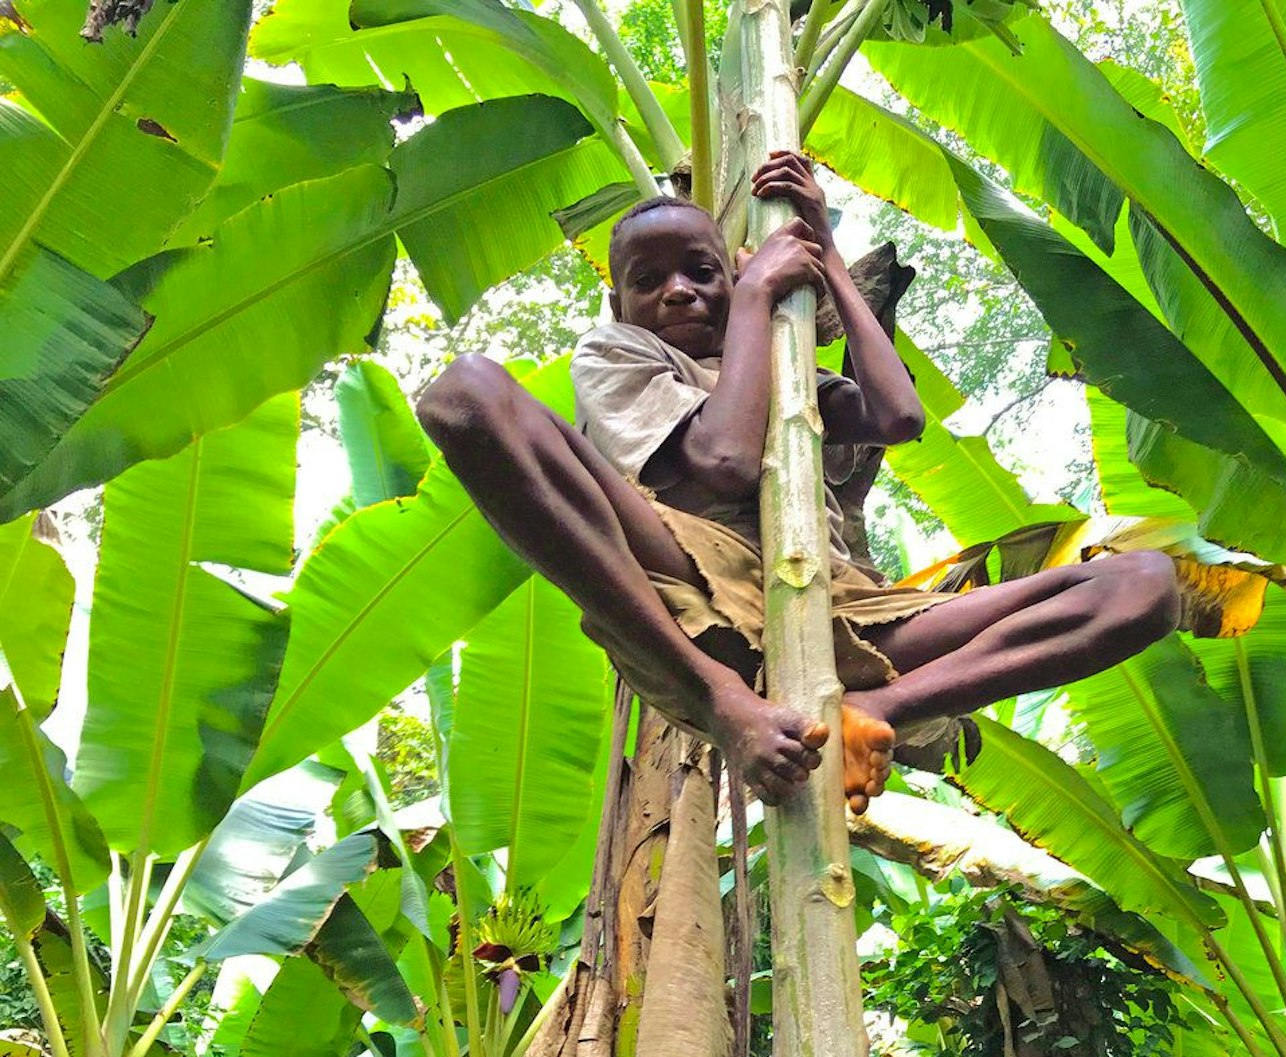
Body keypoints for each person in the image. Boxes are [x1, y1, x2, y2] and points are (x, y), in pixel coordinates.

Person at [417, 151, 1180, 813]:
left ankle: (878, 707)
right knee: (469, 391)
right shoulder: (618, 353)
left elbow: (899, 415)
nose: (678, 291)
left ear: (731, 272)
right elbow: (723, 463)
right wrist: (751, 295)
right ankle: (724, 698)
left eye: (701, 272)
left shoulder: (781, 367)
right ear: (620, 303)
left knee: (1144, 583)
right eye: (649, 280)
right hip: (684, 580)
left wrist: (828, 263)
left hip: (839, 601)